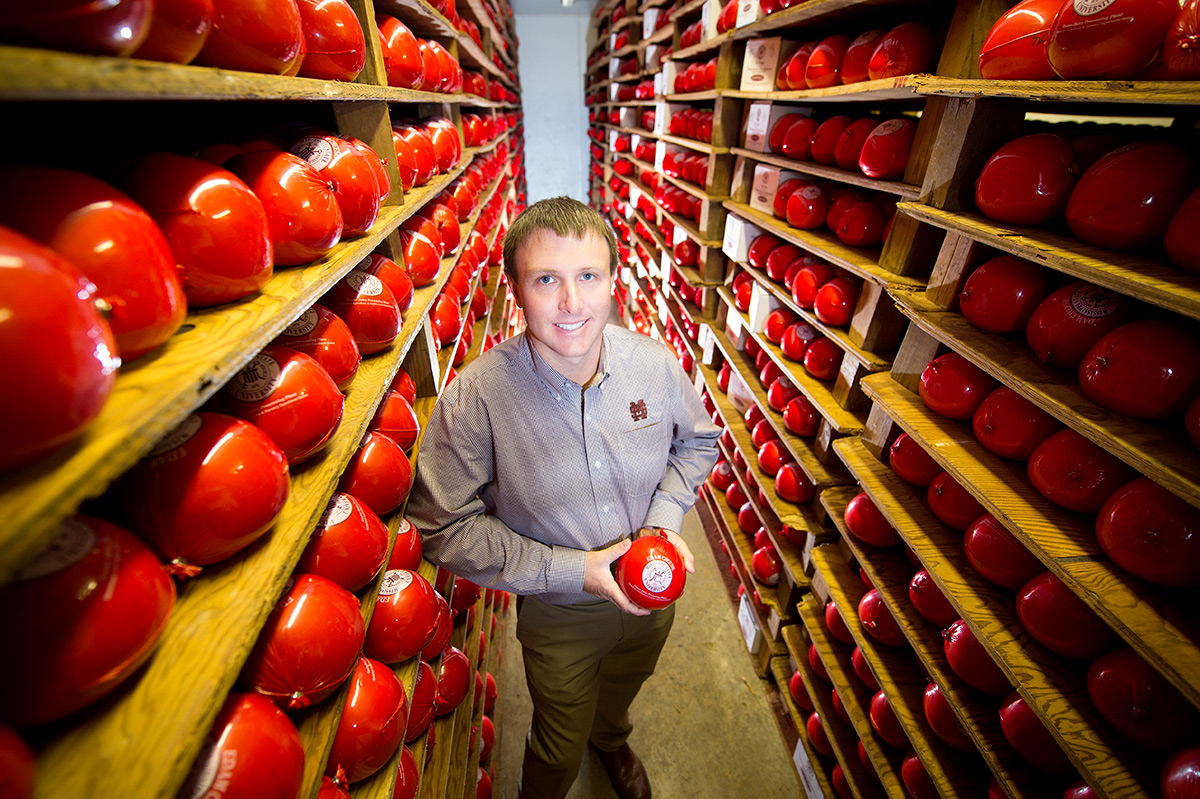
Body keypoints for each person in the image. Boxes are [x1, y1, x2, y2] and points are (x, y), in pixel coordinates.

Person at [406, 196, 720, 799]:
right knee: (556, 741)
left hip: (656, 590)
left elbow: (697, 443)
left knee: (626, 683)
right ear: (517, 290)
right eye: (546, 279)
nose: (572, 304)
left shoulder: (653, 366)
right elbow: (442, 525)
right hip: (559, 612)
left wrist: (660, 522)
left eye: (588, 277)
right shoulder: (476, 399)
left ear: (612, 282)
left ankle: (613, 738)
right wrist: (575, 570)